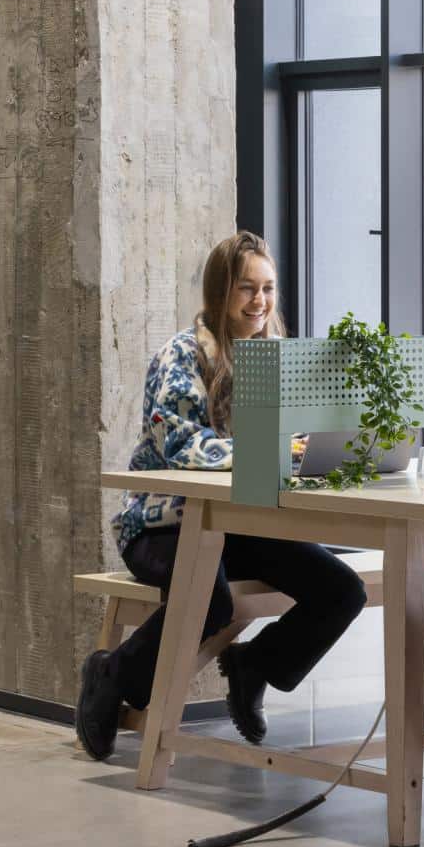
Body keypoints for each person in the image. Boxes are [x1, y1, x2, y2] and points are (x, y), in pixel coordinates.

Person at [75, 230, 367, 761]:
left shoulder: (273, 357)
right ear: (220, 292)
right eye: (246, 289)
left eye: (268, 289)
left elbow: (298, 439)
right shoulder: (180, 357)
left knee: (342, 590)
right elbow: (185, 445)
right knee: (210, 599)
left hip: (240, 524)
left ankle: (255, 664)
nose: (260, 302)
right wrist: (269, 451)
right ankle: (110, 672)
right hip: (161, 524)